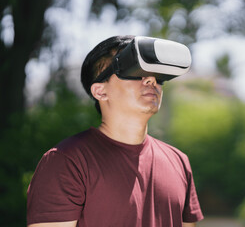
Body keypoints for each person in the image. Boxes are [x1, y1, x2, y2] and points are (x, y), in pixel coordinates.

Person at [27, 35, 204, 227]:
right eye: (136, 71)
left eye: (157, 76)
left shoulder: (179, 161)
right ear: (100, 91)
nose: (151, 80)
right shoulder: (66, 161)